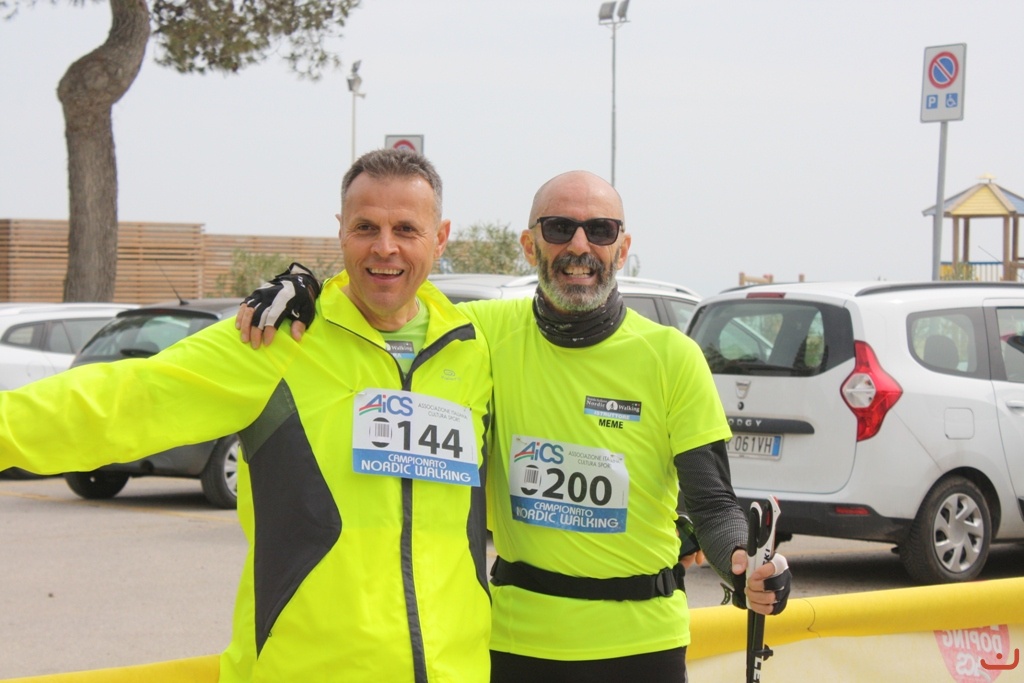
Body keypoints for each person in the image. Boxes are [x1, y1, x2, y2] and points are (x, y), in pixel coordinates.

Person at [239, 170, 791, 682]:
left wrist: (742, 566)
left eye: (600, 230)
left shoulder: (673, 357)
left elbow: (713, 506)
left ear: (622, 248)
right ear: (530, 245)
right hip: (515, 643)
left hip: (643, 644)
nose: (579, 246)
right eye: (559, 228)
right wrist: (305, 289)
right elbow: (388, 299)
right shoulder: (477, 335)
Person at [0, 149, 495, 682]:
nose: (385, 247)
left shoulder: (476, 347)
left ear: (441, 237)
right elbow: (126, 399)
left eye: (406, 229)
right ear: (340, 231)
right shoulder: (277, 339)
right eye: (365, 227)